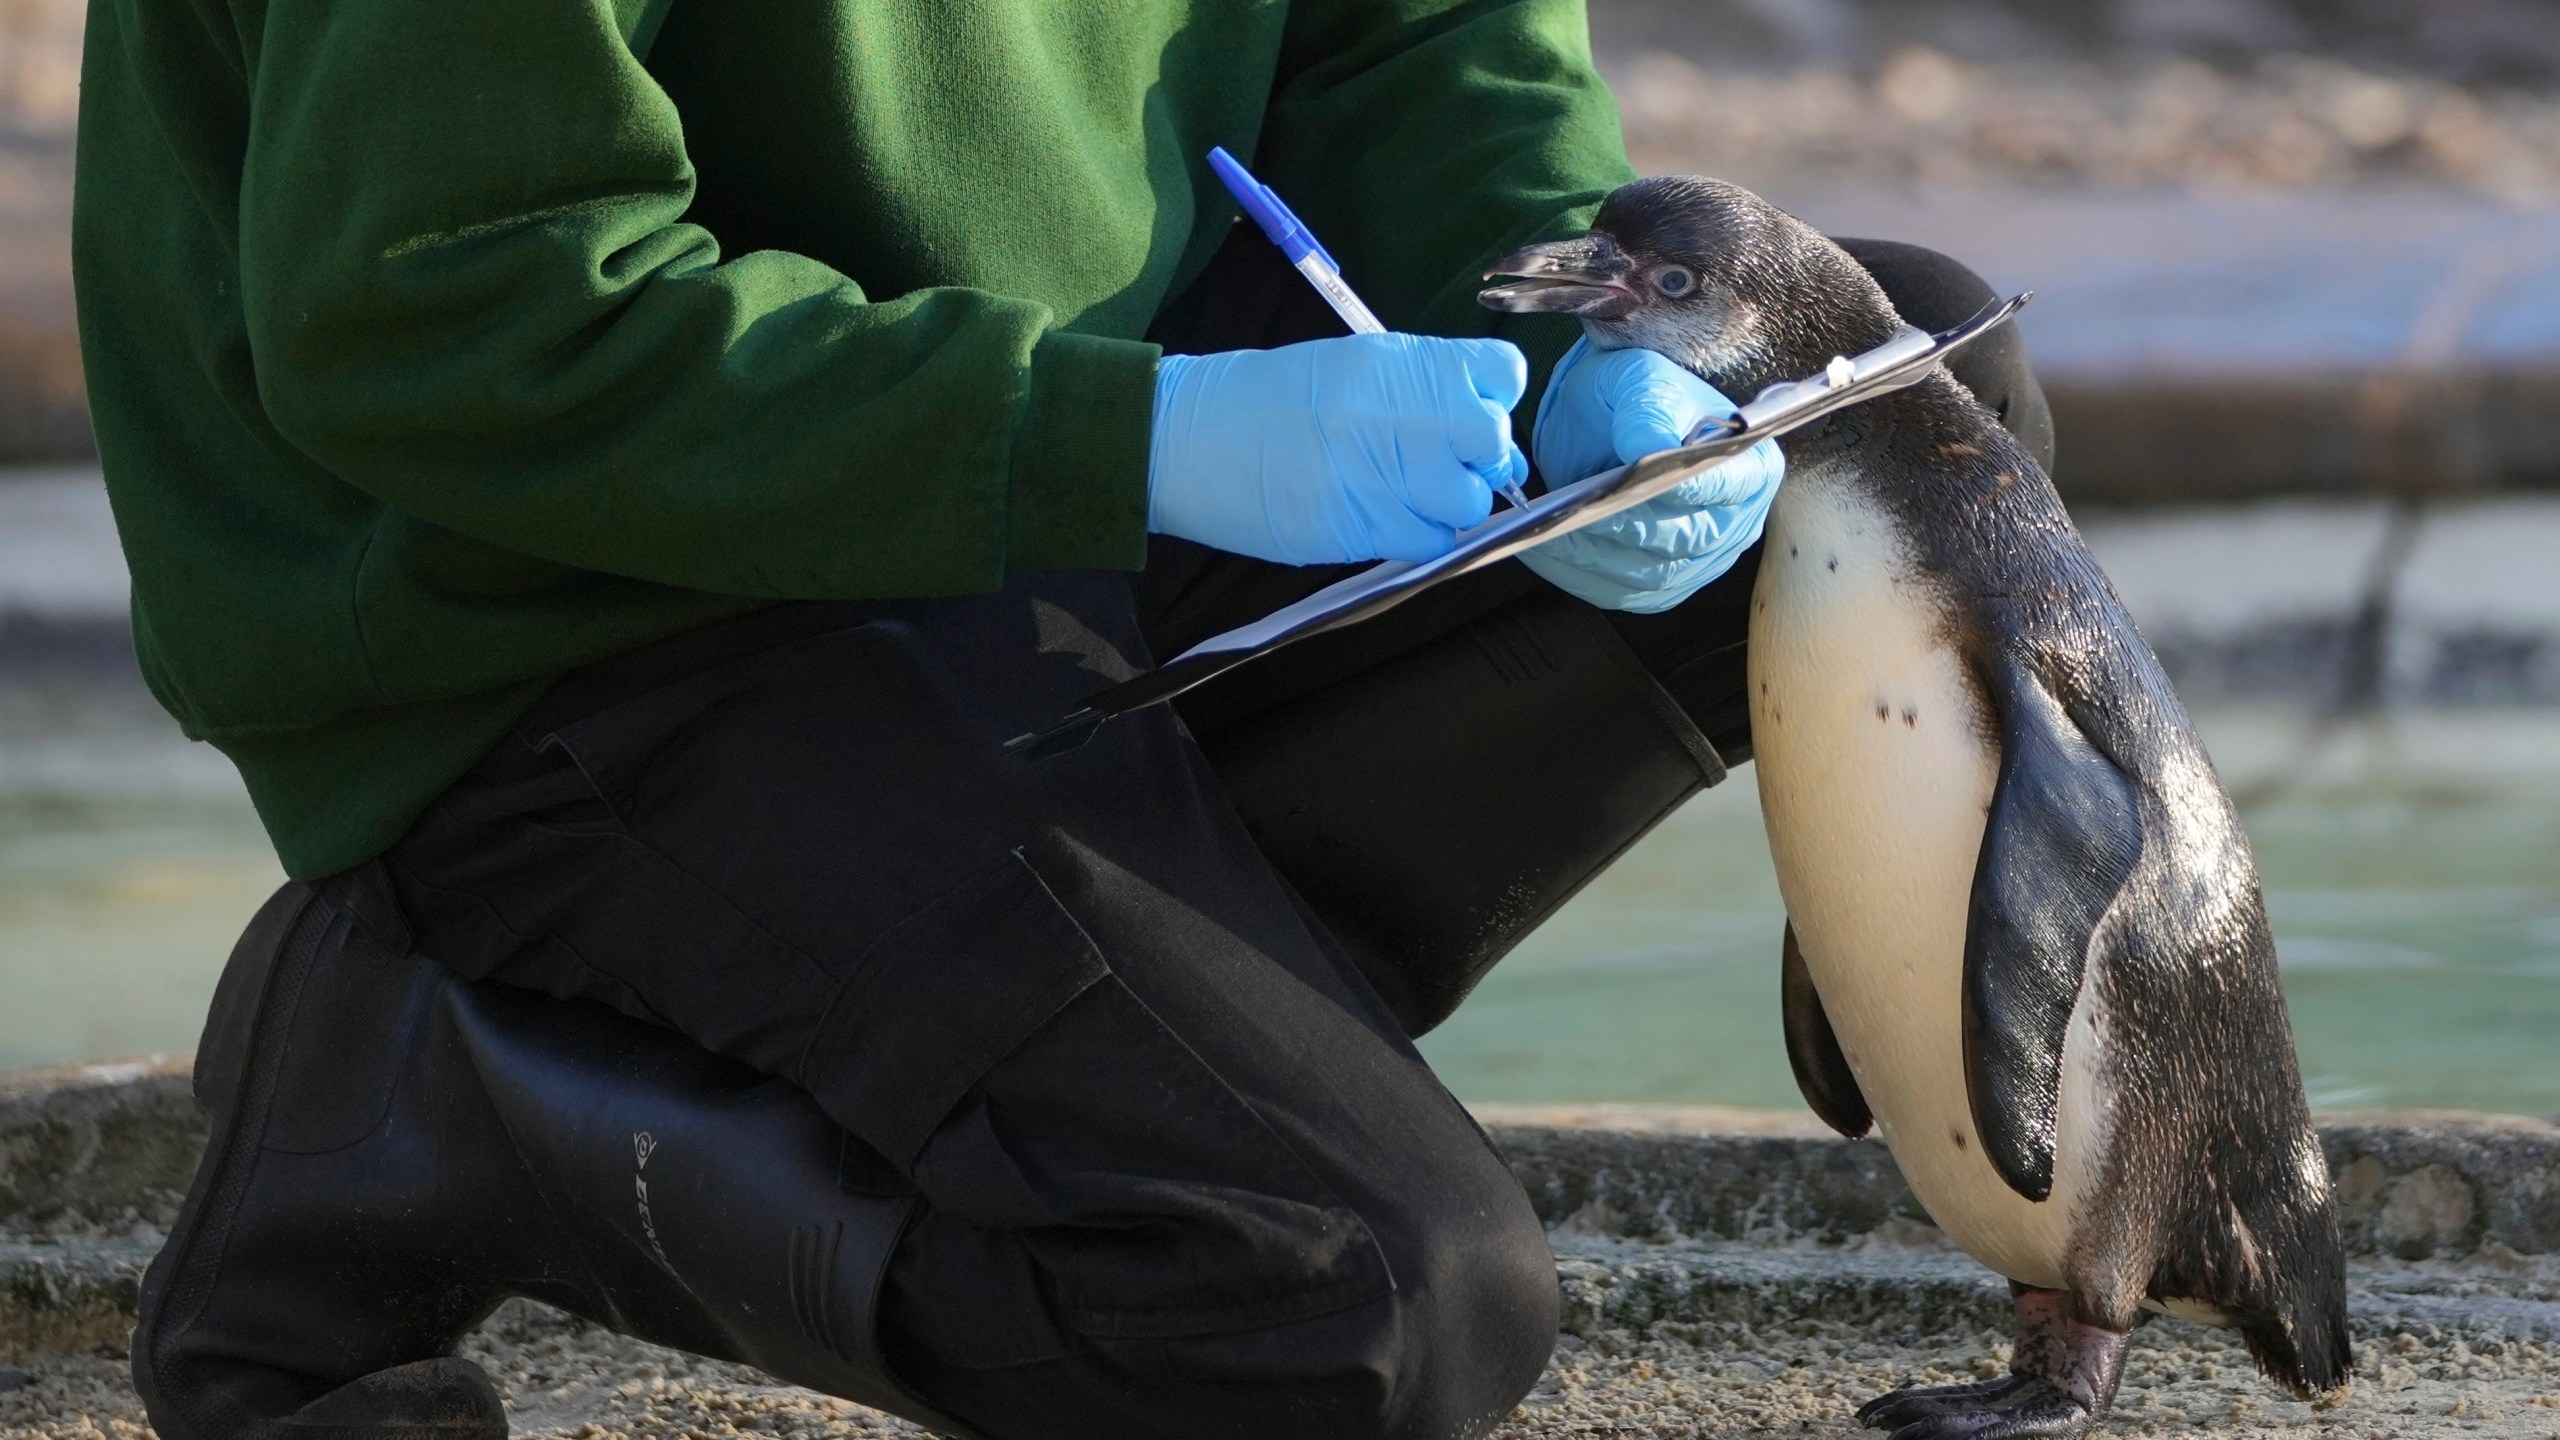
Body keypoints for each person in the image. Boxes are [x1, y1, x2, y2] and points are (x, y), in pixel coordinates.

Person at [76, 3, 2052, 1438]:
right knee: (1346, 1314)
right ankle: (443, 1092)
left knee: (1877, 431)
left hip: (1052, 490)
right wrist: (1141, 439)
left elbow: (1415, 39)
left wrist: (1581, 335)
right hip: (567, 613)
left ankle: (1107, 1028)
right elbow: (451, 315)